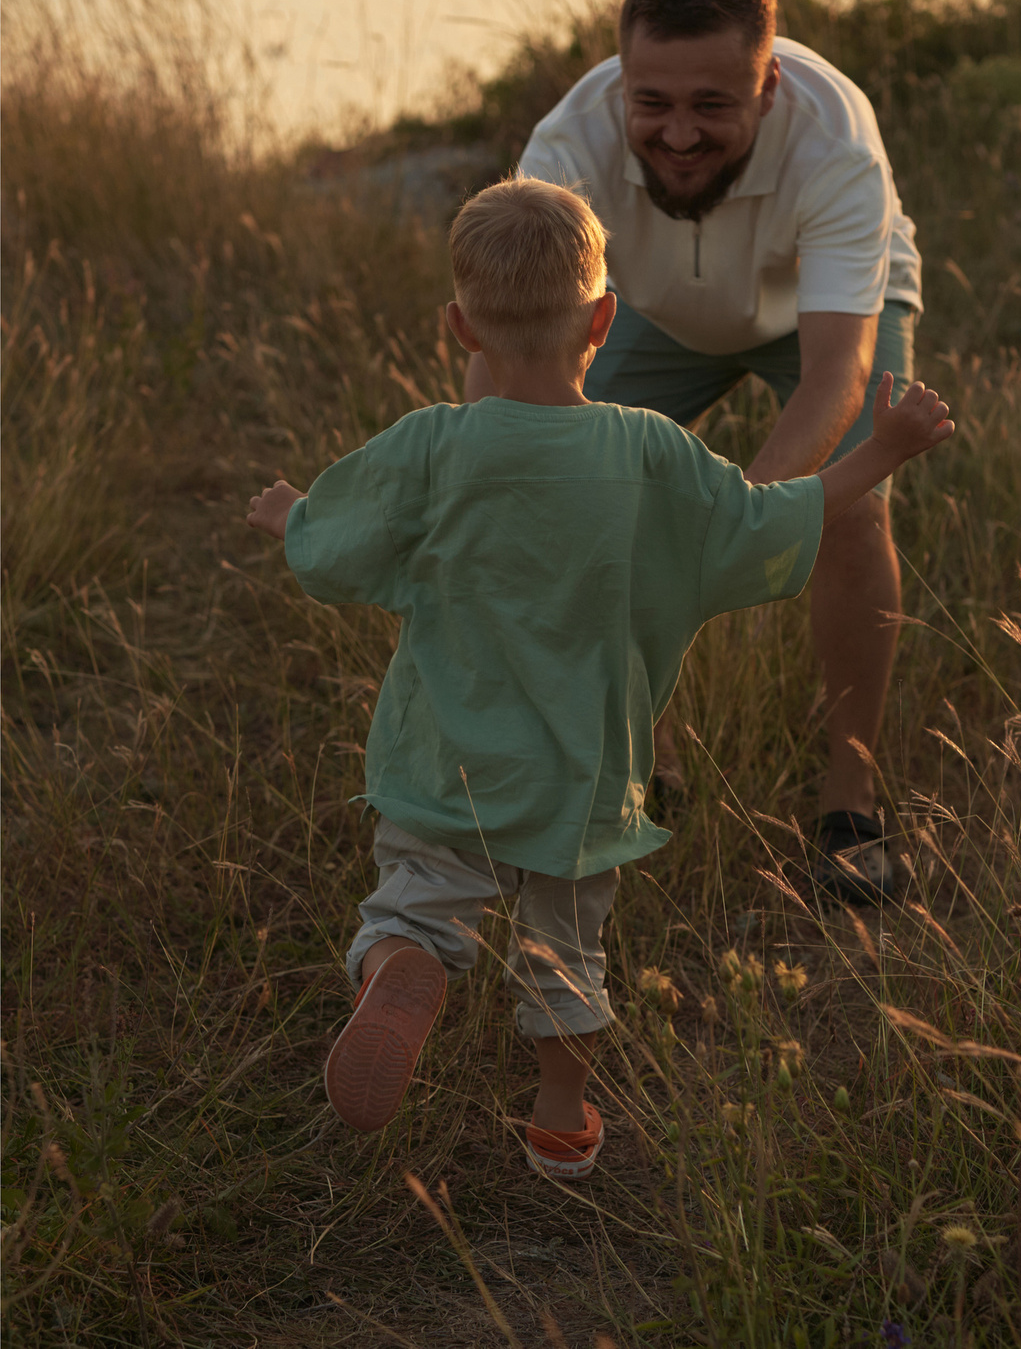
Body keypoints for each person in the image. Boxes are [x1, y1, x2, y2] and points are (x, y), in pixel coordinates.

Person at [246, 179, 954, 1174]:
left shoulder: (430, 445)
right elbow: (771, 518)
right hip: (585, 774)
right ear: (604, 321)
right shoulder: (649, 453)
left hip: (445, 763)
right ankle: (559, 1115)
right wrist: (883, 448)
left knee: (410, 902)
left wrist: (292, 516)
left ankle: (406, 963)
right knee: (567, 951)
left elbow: (336, 548)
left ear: (460, 328)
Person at [505, 0, 926, 907]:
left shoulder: (836, 147)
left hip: (820, 314)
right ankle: (642, 758)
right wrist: (497, 465)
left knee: (849, 511)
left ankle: (851, 801)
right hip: (650, 307)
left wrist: (739, 517)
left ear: (768, 86)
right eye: (652, 102)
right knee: (578, 492)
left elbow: (837, 371)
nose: (680, 132)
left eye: (713, 105)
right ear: (620, 80)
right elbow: (512, 353)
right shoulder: (565, 147)